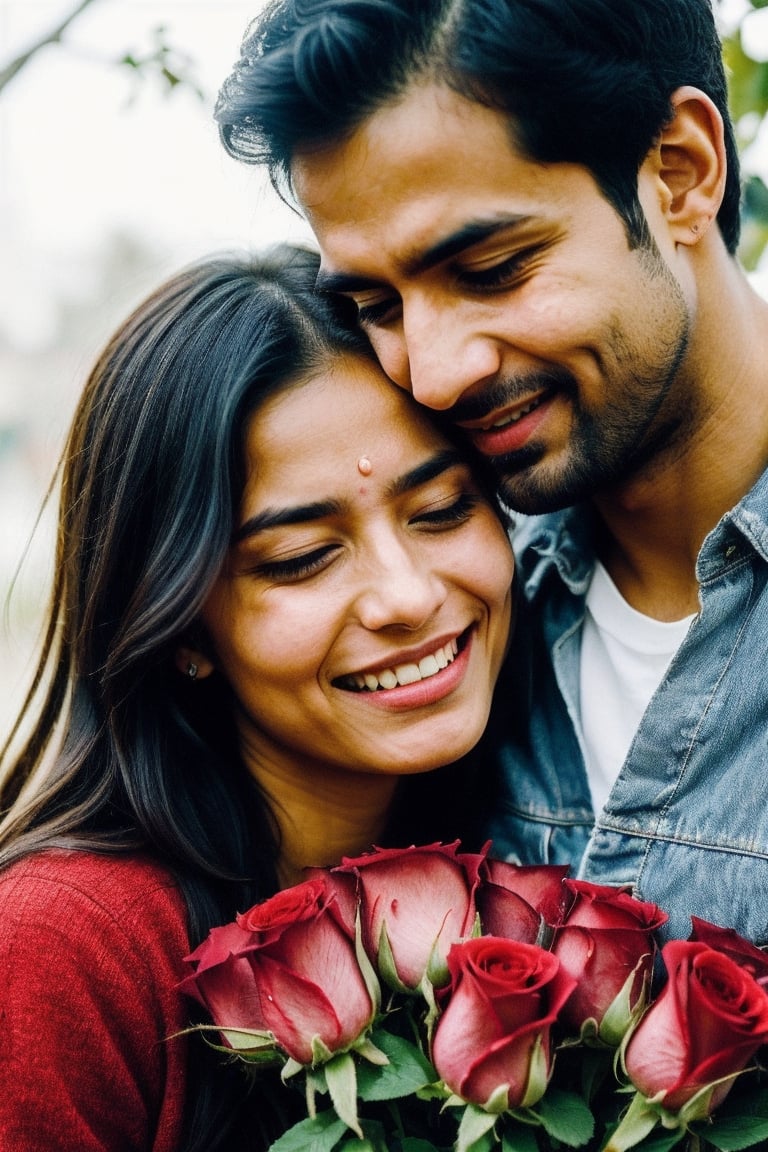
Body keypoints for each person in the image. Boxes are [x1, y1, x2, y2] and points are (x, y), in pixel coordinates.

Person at [213, 0, 768, 945]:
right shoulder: (436, 632)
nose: (433, 373)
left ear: (680, 173)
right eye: (377, 304)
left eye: (492, 269)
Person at [0, 244, 514, 1151]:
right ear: (183, 627)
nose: (407, 596)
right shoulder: (65, 948)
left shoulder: (526, 852)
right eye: (302, 559)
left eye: (441, 510)